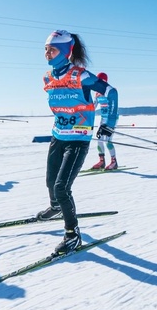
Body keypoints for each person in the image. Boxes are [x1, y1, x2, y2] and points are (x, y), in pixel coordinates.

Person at [38, 30, 118, 254]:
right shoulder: (48, 78)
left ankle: (72, 235)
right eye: (45, 49)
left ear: (65, 52)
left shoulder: (80, 76)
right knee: (50, 181)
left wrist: (109, 124)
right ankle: (56, 207)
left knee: (62, 187)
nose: (47, 53)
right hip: (58, 136)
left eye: (52, 49)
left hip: (78, 139)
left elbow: (111, 92)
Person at [89, 72, 119, 170]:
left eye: (102, 81)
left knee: (108, 140)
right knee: (100, 140)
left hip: (112, 119)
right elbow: (93, 107)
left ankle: (114, 162)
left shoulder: (110, 91)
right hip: (103, 119)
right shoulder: (97, 94)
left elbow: (113, 108)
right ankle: (101, 161)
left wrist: (110, 123)